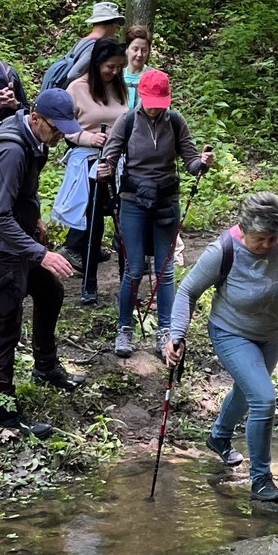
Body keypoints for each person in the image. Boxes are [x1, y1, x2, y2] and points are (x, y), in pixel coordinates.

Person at [165, 189, 278, 506]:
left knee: (247, 392)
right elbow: (187, 291)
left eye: (273, 238)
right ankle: (260, 480)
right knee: (263, 398)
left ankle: (219, 436)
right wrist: (176, 334)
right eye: (260, 239)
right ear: (243, 229)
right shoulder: (222, 250)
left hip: (270, 334)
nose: (268, 244)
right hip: (230, 333)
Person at [0, 87, 82, 436]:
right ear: (35, 118)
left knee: (50, 291)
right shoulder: (11, 150)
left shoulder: (34, 139)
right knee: (5, 325)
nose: (60, 136)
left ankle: (46, 368)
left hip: (21, 241)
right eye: (56, 128)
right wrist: (41, 253)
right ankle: (5, 412)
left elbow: (23, 191)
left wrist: (34, 217)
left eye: (65, 129)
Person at [101, 68, 211, 357]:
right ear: (141, 96)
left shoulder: (175, 121)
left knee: (165, 270)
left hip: (166, 200)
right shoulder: (127, 121)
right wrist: (104, 169)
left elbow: (191, 162)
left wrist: (202, 163)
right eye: (150, 102)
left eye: (159, 102)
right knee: (134, 267)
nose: (154, 108)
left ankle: (166, 331)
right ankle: (124, 327)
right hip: (133, 199)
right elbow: (110, 156)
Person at [65, 36, 129, 303]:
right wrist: (89, 138)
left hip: (120, 163)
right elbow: (66, 127)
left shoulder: (119, 88)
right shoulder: (76, 88)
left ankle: (127, 282)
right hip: (90, 163)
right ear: (96, 64)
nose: (114, 72)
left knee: (124, 222)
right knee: (93, 225)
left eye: (118, 67)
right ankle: (89, 284)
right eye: (109, 67)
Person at [41, 0, 125, 91]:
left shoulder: (84, 41)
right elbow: (72, 75)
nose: (116, 29)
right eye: (117, 25)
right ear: (112, 25)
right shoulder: (94, 46)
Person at [122, 23, 153, 104]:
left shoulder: (154, 77)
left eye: (144, 50)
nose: (139, 54)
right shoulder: (117, 76)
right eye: (135, 49)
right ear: (127, 49)